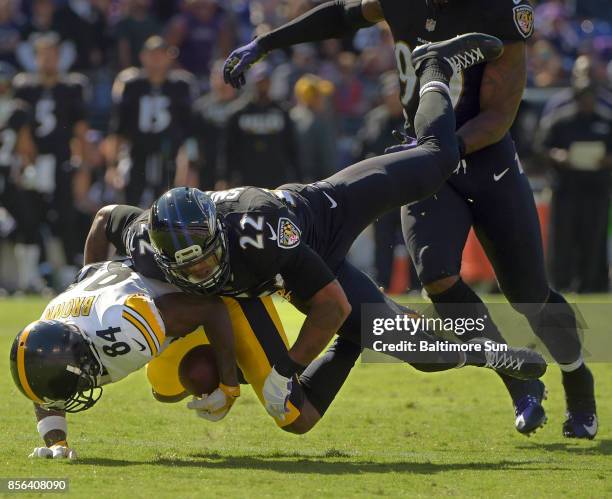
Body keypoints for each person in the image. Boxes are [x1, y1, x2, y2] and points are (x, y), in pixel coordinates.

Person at [222, 0, 598, 440]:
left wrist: (438, 150)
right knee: (437, 276)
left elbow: (498, 117)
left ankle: (577, 379)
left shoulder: (499, 10)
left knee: (528, 294)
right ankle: (516, 378)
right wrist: (268, 42)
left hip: (486, 161)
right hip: (424, 156)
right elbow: (341, 17)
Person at [156, 34, 546, 432]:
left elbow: (331, 304)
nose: (202, 269)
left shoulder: (258, 231)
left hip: (327, 212)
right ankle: (488, 353)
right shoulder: (152, 241)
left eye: (206, 256)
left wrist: (287, 368)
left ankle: (435, 68)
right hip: (297, 263)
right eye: (191, 264)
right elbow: (108, 222)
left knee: (439, 159)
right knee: (423, 353)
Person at [10, 260, 239, 459]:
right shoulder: (50, 332)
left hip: (199, 288)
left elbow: (211, 309)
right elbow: (45, 386)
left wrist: (228, 385)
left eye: (75, 382)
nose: (78, 390)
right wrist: (56, 441)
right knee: (165, 390)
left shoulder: (123, 324)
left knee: (193, 376)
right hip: (114, 300)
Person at [14, 32, 90, 284]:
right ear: (35, 58)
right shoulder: (25, 88)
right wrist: (27, 162)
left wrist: (82, 166)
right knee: (33, 214)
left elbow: (79, 131)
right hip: (35, 161)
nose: (47, 60)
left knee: (66, 213)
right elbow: (22, 132)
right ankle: (41, 268)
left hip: (61, 160)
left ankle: (69, 266)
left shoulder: (71, 87)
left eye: (52, 54)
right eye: (43, 54)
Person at [537, 72, 612, 293]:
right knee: (562, 240)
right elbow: (540, 148)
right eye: (582, 96)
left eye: (590, 96)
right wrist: (557, 155)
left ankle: (593, 285)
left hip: (596, 191)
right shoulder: (560, 121)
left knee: (594, 239)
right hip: (566, 190)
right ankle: (560, 285)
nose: (586, 101)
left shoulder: (606, 121)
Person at [106, 36, 197, 208]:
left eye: (161, 54)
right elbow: (117, 129)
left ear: (170, 57)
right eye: (152, 54)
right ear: (142, 56)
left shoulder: (181, 85)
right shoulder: (131, 84)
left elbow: (189, 132)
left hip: (169, 156)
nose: (156, 59)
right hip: (135, 155)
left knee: (167, 210)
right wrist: (112, 166)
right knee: (130, 208)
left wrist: (190, 166)